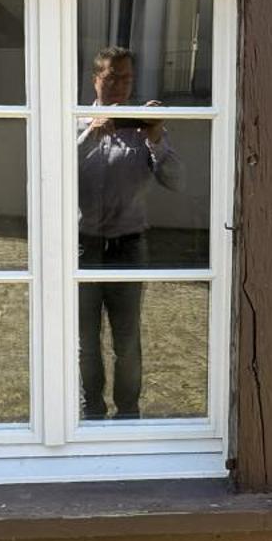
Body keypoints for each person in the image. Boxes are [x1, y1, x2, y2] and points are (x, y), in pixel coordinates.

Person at [77, 45, 180, 420]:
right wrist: (91, 132)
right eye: (111, 77)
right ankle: (90, 410)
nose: (120, 85)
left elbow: (175, 179)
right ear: (95, 79)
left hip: (128, 246)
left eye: (127, 78)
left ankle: (128, 413)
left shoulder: (141, 128)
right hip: (83, 247)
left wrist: (156, 136)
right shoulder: (74, 121)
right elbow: (52, 173)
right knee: (85, 341)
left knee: (128, 339)